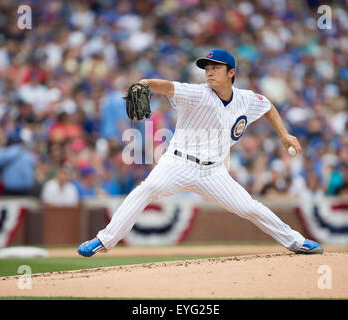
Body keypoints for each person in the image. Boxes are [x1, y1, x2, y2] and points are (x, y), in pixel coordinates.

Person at [78, 49, 323, 257]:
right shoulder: (197, 93)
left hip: (213, 171)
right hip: (177, 163)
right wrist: (145, 83)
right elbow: (168, 87)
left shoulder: (246, 99)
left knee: (249, 207)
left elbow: (267, 105)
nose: (209, 72)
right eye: (207, 68)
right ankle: (104, 240)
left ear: (231, 73)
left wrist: (283, 133)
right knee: (147, 189)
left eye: (216, 67)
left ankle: (296, 242)